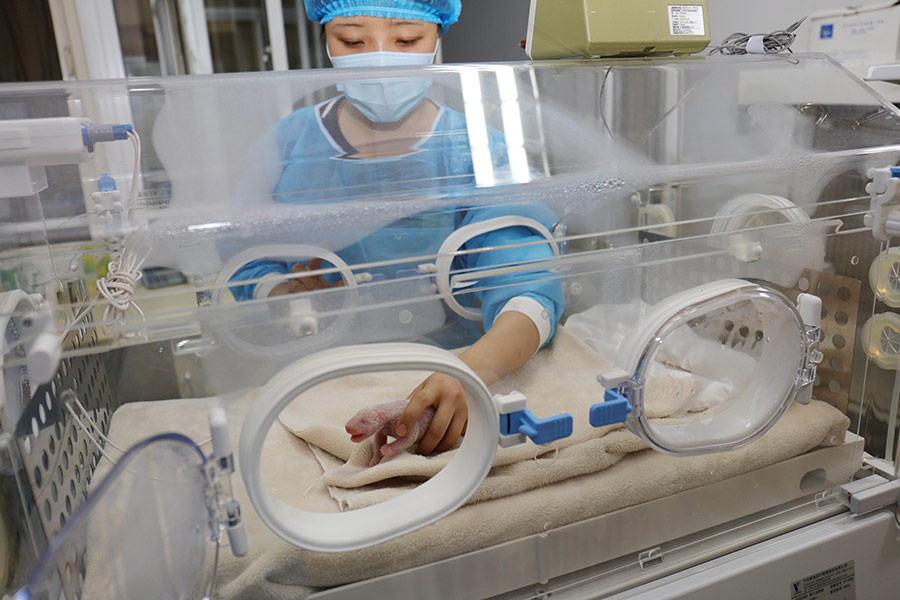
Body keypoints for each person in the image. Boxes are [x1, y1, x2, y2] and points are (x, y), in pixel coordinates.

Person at [230, 0, 564, 456]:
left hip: (454, 372)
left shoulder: (477, 152)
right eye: (352, 40)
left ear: (437, 36)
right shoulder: (287, 147)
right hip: (319, 379)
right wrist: (281, 295)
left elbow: (528, 291)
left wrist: (468, 373)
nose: (381, 57)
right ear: (325, 36)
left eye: (407, 40)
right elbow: (240, 256)